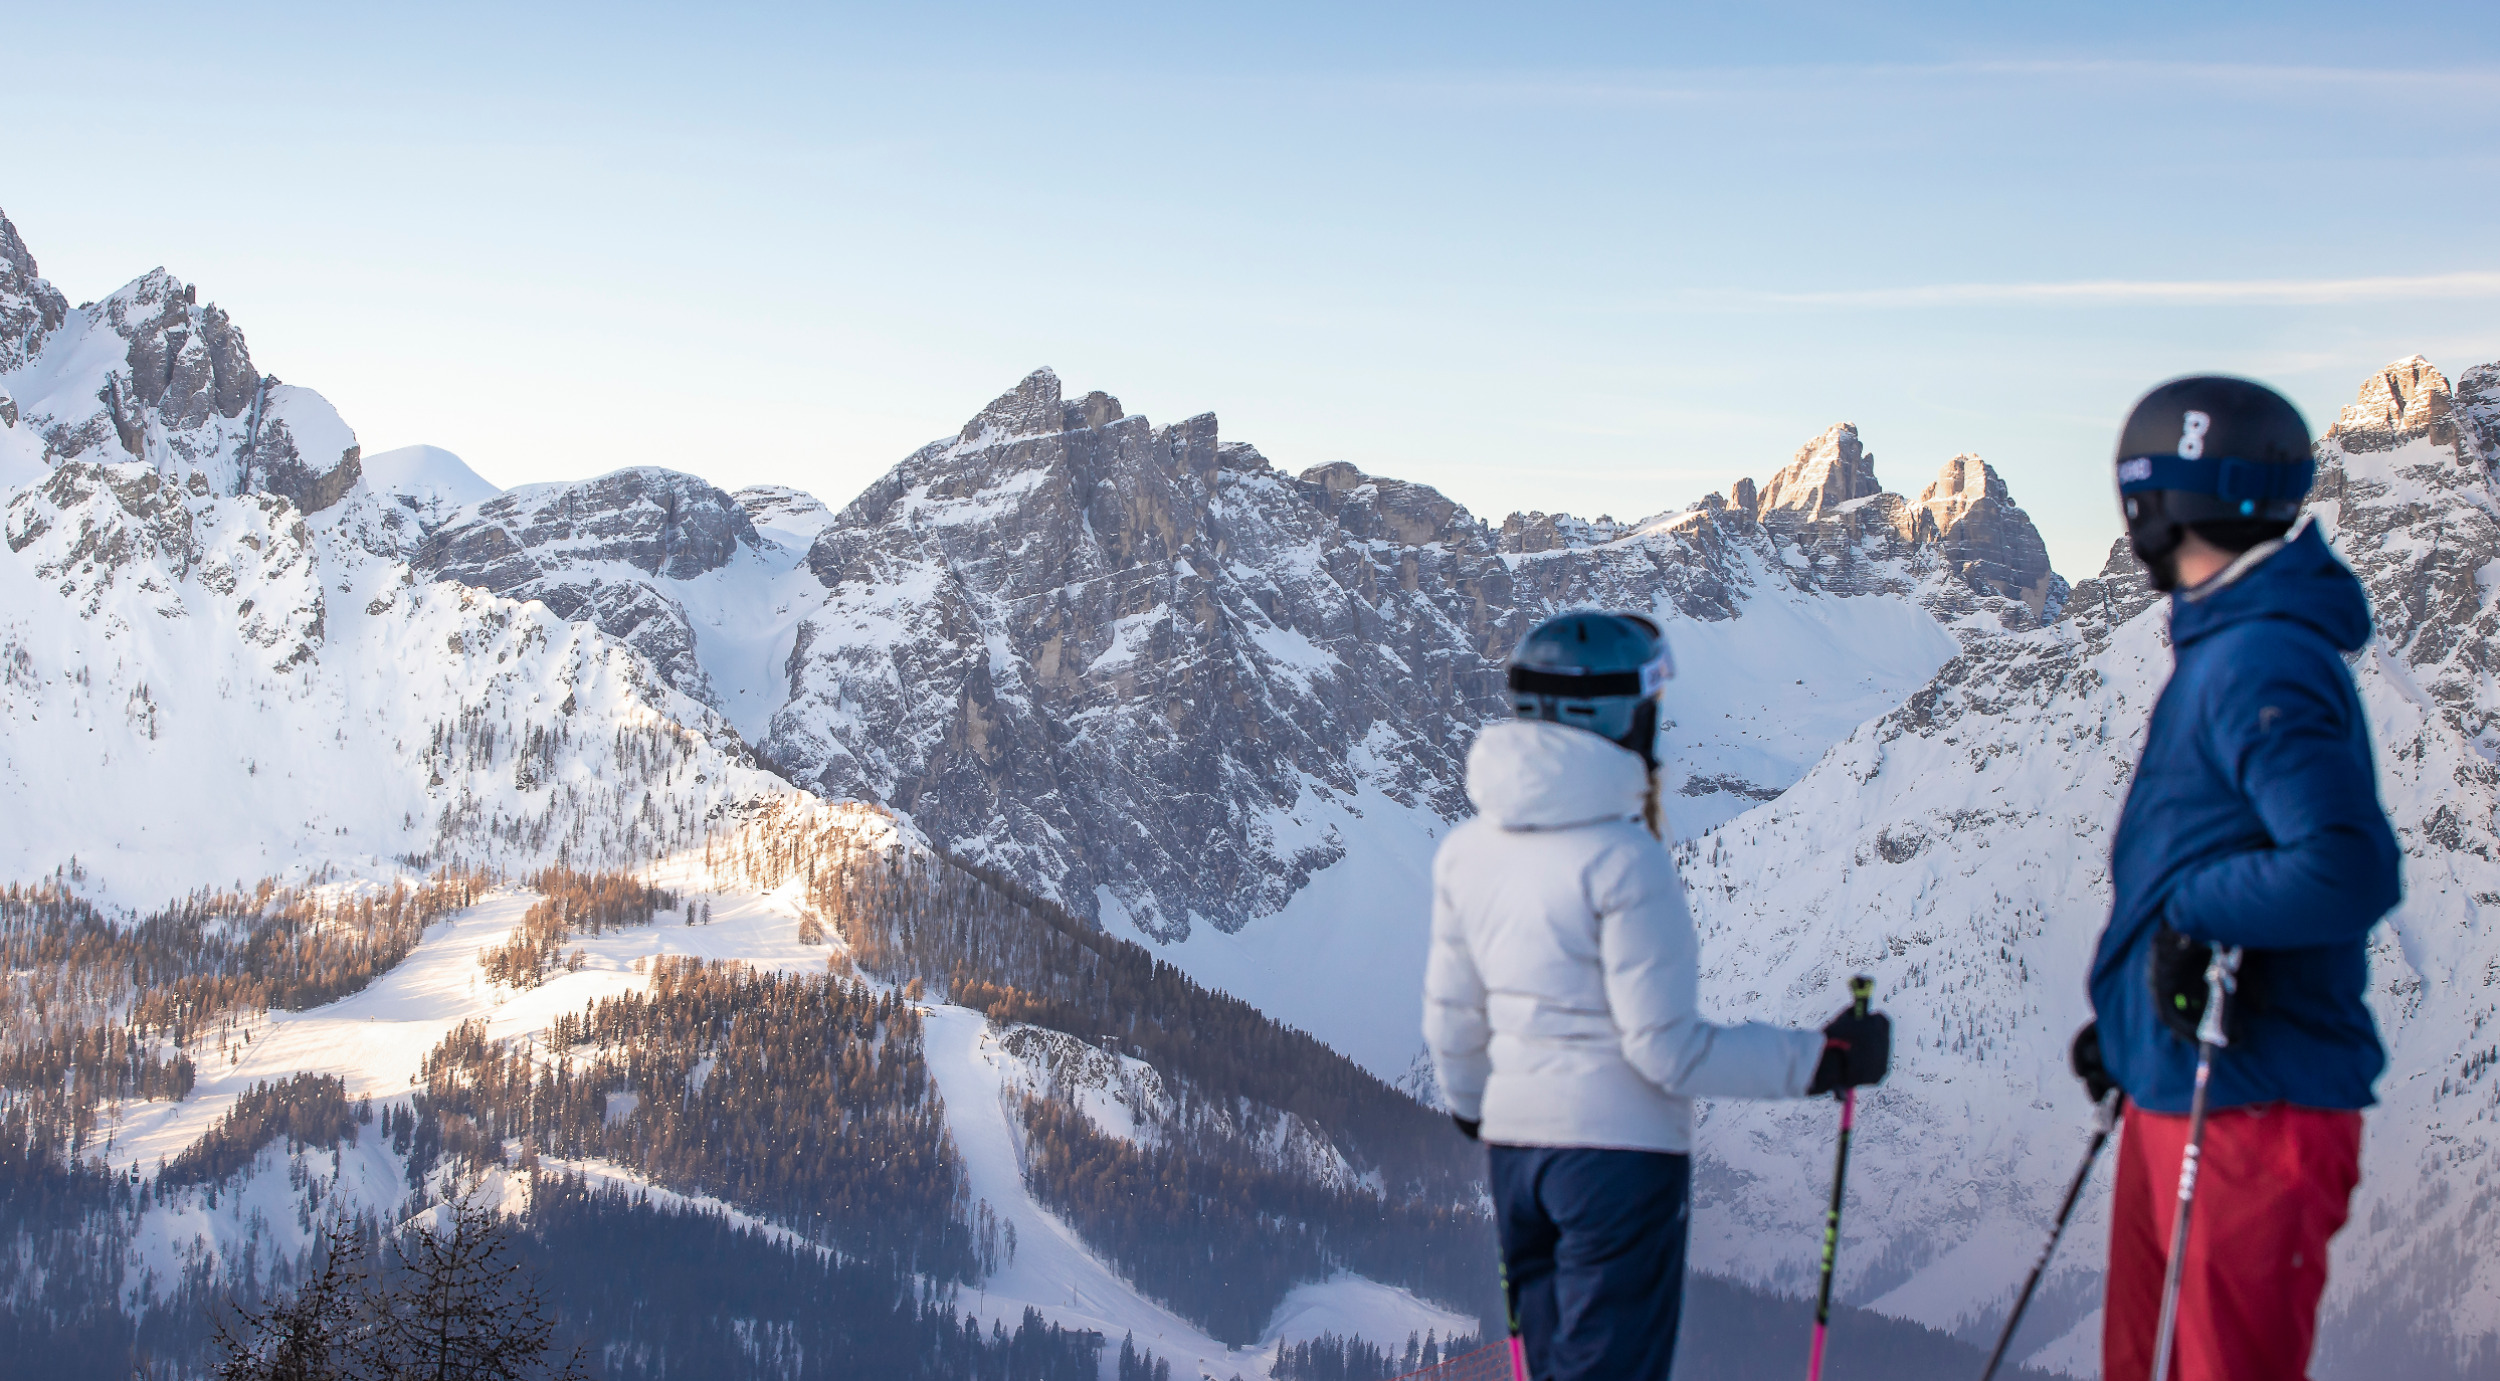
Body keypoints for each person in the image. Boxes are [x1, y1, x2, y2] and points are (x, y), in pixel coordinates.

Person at [1422, 610, 1891, 1381]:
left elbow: (1452, 1021)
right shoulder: (1626, 858)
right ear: (1618, 715)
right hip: (1618, 1162)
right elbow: (1666, 1050)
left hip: (1516, 1161)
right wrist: (1825, 1060)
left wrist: (1479, 1106)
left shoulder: (1468, 852)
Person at [2075, 376, 2402, 1381]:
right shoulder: (2230, 641)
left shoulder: (2258, 657)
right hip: (2190, 1080)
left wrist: (2189, 919)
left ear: (2158, 501)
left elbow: (2346, 867)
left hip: (2251, 1105)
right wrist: (2129, 1021)